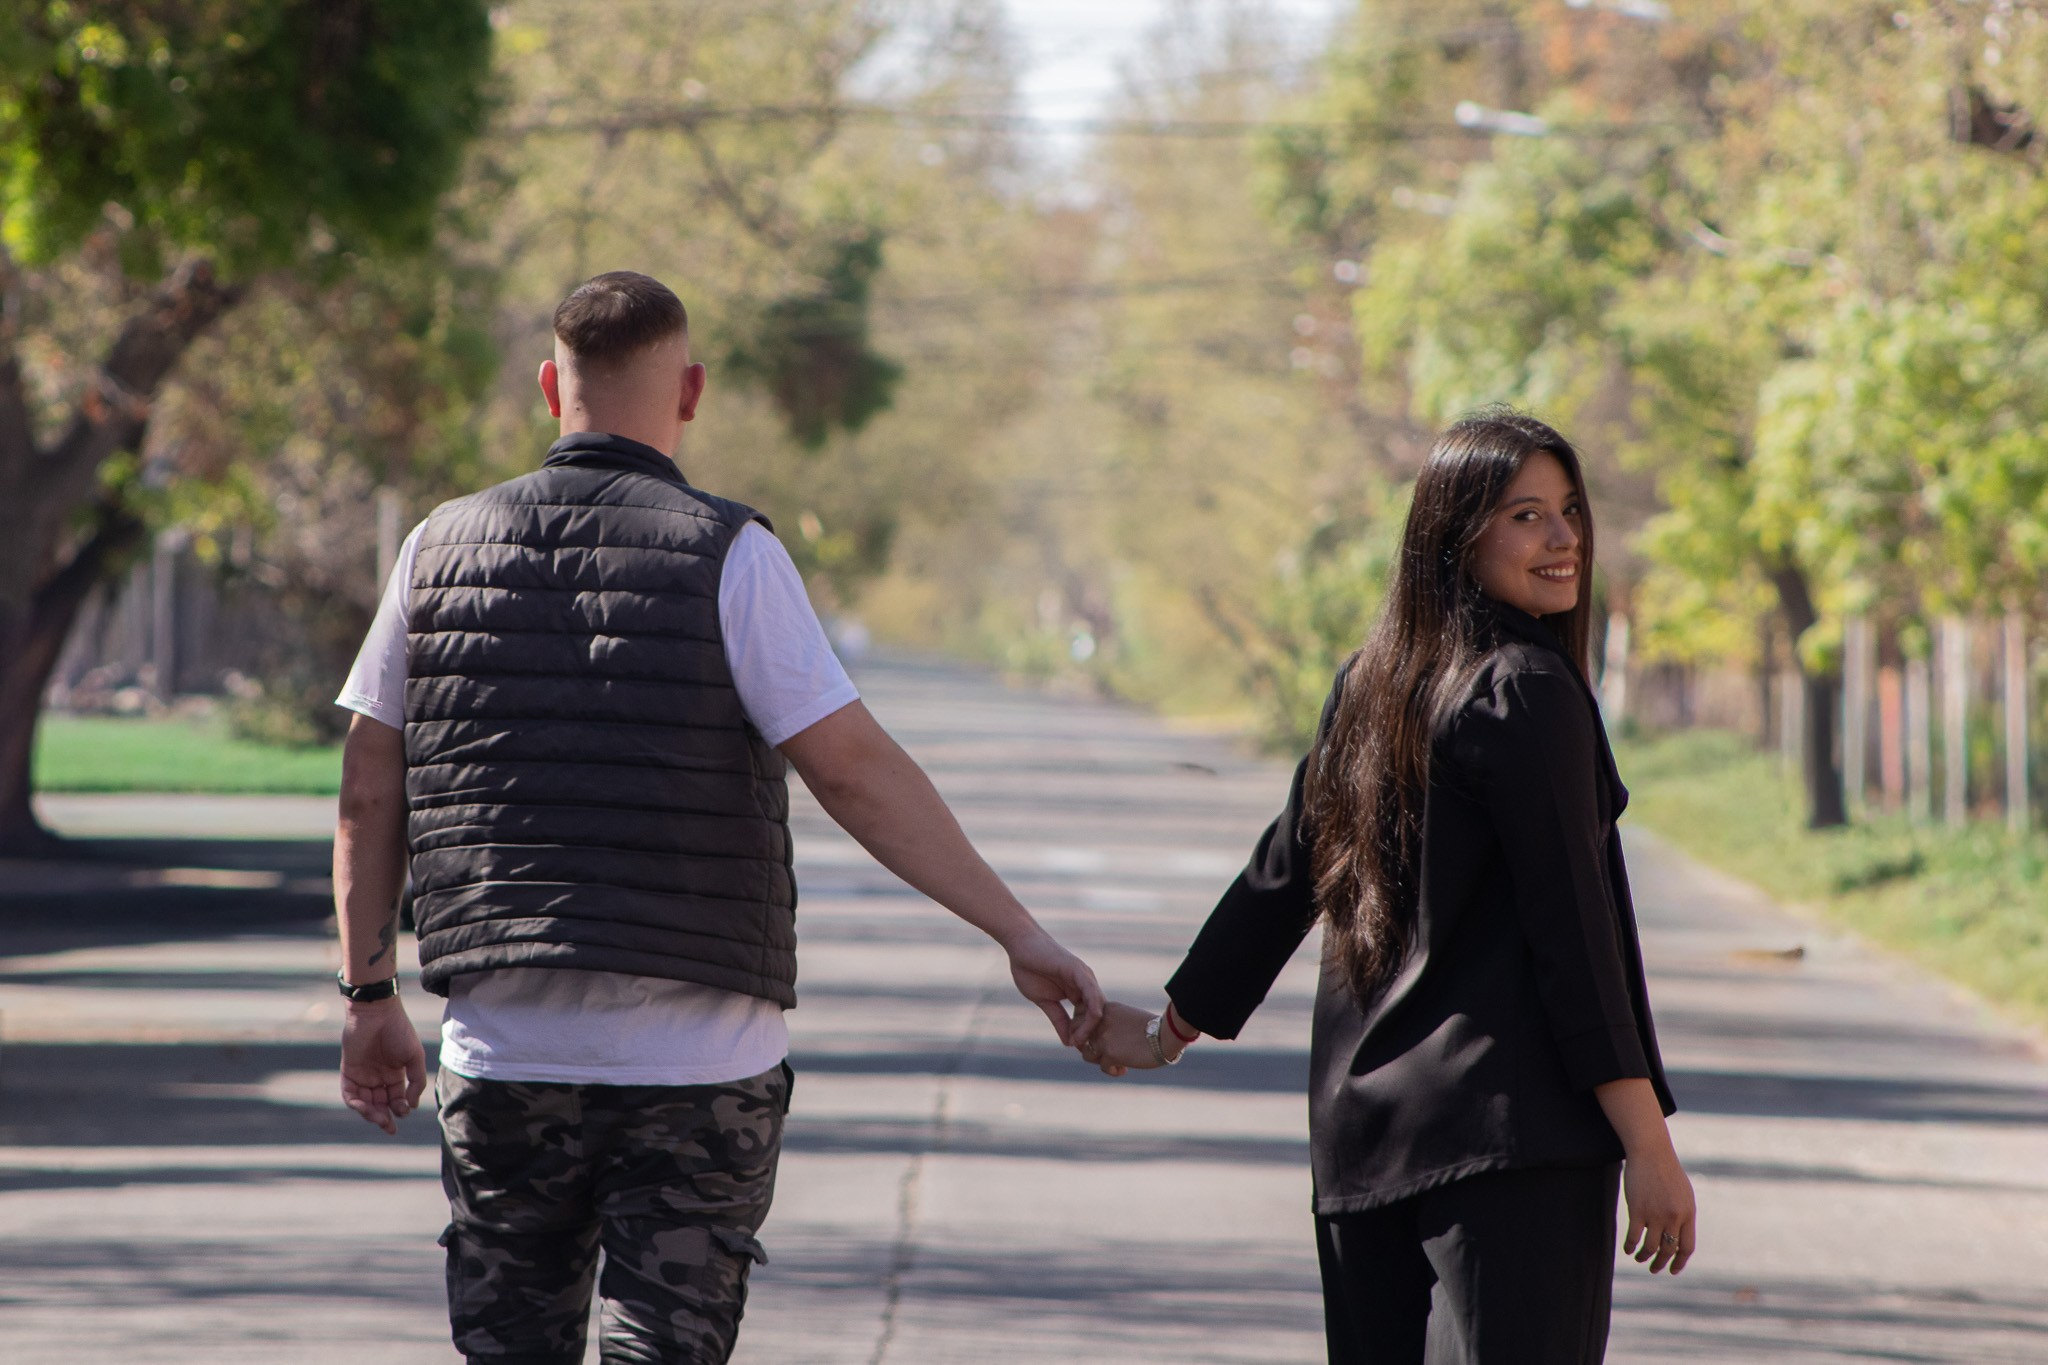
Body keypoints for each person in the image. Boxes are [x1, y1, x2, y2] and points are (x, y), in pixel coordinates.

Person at [328, 270, 1103, 1365]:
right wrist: (1017, 933)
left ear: (552, 387)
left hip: (505, 1055)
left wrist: (368, 997)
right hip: (698, 1068)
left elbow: (370, 786)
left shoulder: (434, 550)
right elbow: (852, 773)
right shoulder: (730, 553)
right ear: (688, 392)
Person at [1084, 411, 1694, 1363]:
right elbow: (1575, 939)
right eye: (1526, 515)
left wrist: (1170, 1028)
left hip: (1364, 1142)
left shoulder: (1373, 680)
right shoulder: (1525, 686)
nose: (1565, 538)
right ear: (1458, 537)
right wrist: (1649, 1145)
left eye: (1570, 510)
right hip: (1512, 1149)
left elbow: (1281, 874)